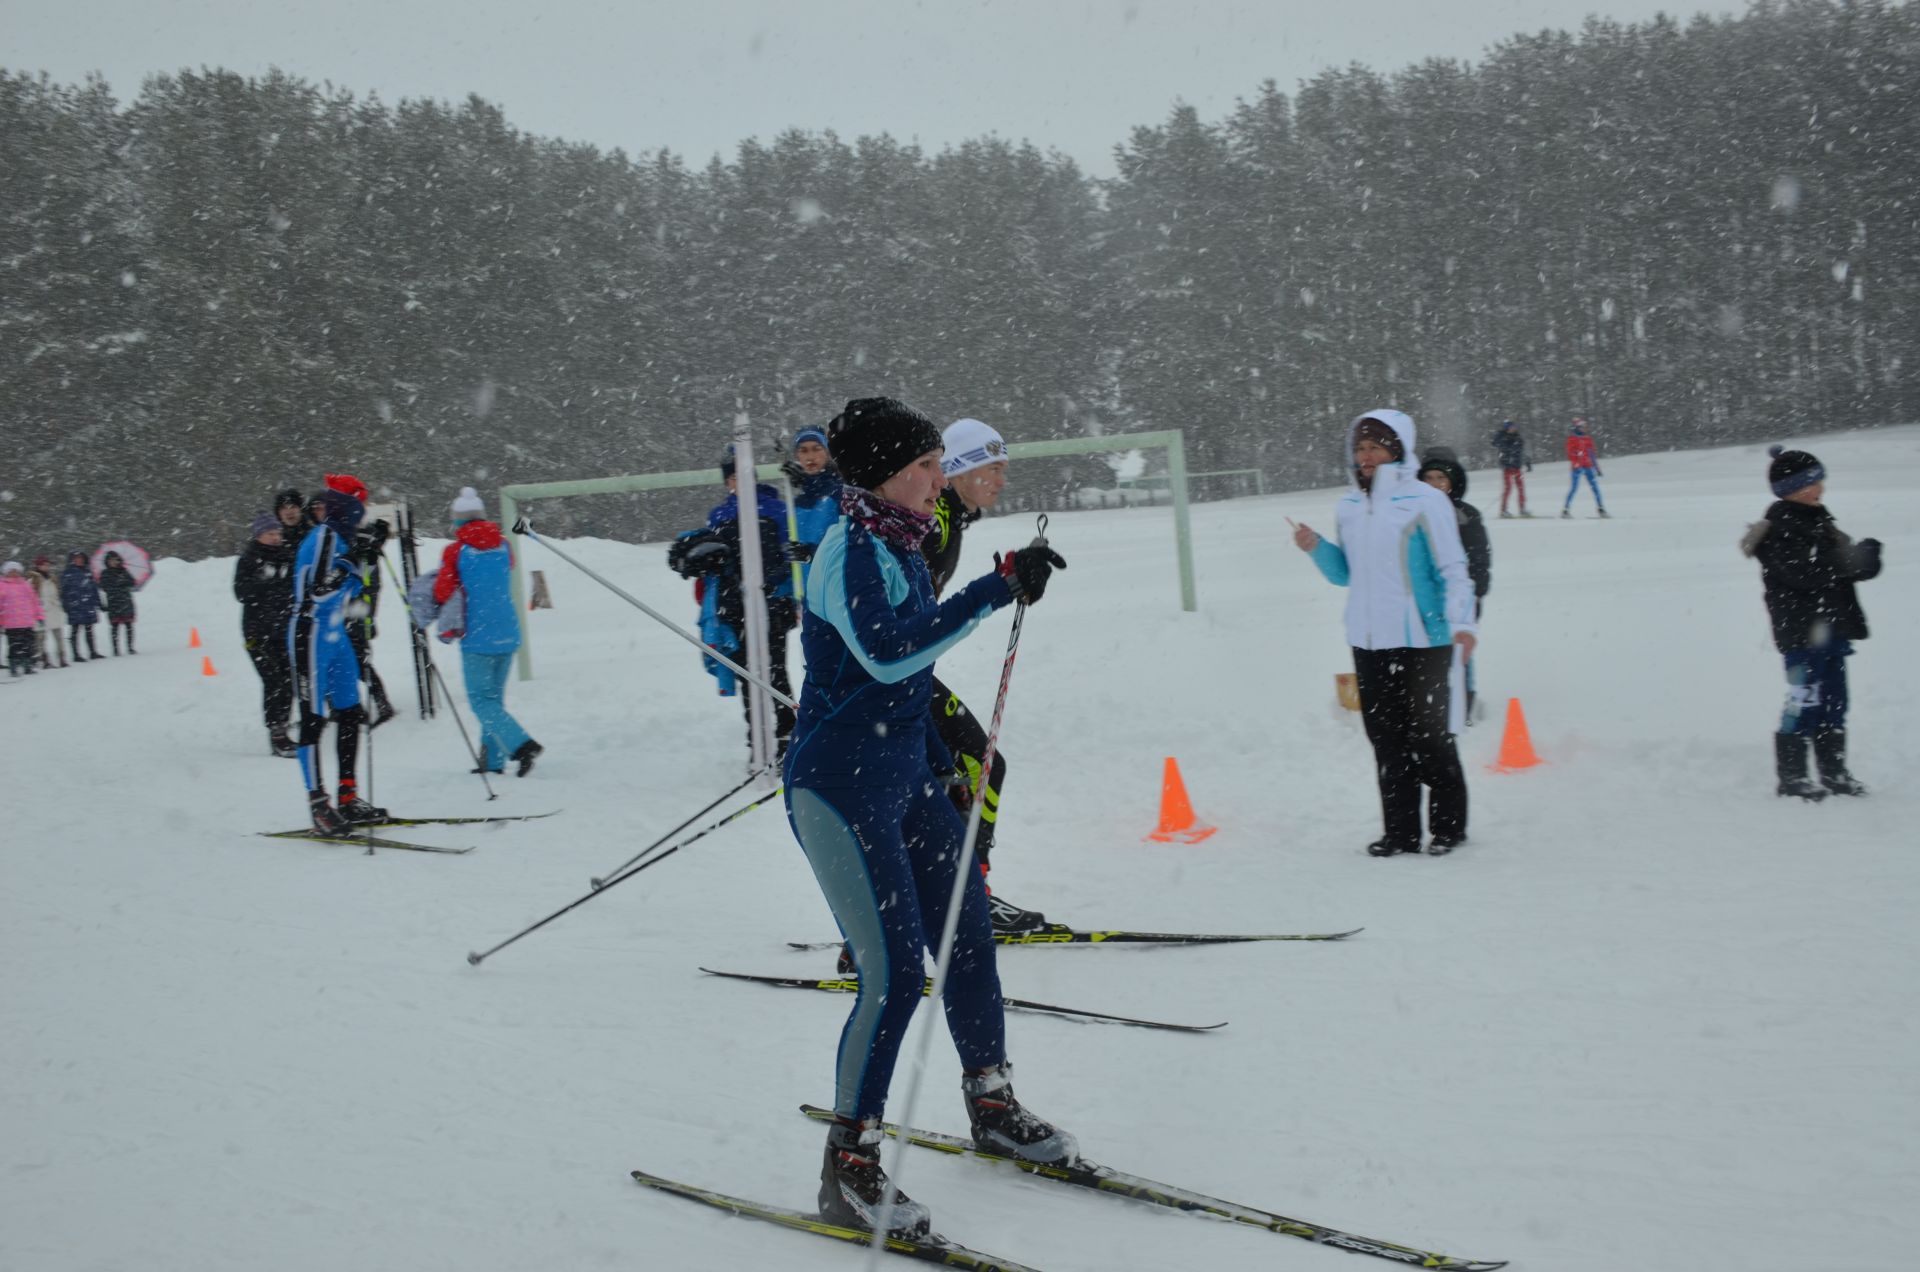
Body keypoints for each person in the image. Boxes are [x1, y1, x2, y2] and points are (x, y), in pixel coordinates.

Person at [784, 396, 1073, 1239]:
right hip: (840, 789)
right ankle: (851, 1164)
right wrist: (993, 589)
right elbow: (890, 651)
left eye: (937, 464)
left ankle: (990, 1100)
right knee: (895, 977)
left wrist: (942, 764)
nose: (937, 479)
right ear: (883, 475)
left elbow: (909, 674)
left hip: (905, 778)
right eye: (922, 467)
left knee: (970, 931)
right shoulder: (851, 548)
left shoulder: (902, 537)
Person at [1293, 410, 1477, 856]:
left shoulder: (1424, 501)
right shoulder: (1350, 507)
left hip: (1424, 642)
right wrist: (1316, 547)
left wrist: (1463, 624)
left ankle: (1449, 828)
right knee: (1387, 742)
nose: (1366, 456)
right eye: (1360, 448)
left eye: (1375, 447)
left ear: (1397, 449)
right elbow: (1345, 575)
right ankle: (1400, 833)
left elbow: (1454, 569)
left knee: (1430, 740)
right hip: (1369, 643)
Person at [922, 416, 1047, 934]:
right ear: (959, 469)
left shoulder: (950, 518)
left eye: (1004, 468)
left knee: (969, 772)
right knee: (972, 768)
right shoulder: (937, 521)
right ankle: (956, 902)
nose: (1001, 479)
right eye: (992, 468)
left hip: (901, 674)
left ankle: (964, 896)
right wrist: (1001, 586)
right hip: (886, 678)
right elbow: (913, 618)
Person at [1740, 445, 1882, 800]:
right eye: (1814, 483)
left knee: (1835, 702)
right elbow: (1805, 573)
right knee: (1803, 701)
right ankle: (1792, 777)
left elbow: (1845, 566)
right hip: (1802, 634)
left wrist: (1866, 558)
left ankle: (1833, 771)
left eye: (1820, 481)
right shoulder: (1778, 530)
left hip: (1832, 629)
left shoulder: (1821, 520)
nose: (1821, 489)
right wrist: (1846, 561)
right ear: (1794, 490)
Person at [667, 448, 796, 763]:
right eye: (733, 477)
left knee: (774, 671)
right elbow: (718, 562)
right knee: (747, 675)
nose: (739, 482)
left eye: (744, 474)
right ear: (728, 481)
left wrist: (773, 583)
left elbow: (786, 554)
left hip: (772, 603)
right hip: (734, 607)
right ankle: (758, 738)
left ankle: (788, 734)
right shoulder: (720, 515)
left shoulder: (777, 509)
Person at [290, 476, 389, 831]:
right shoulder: (324, 537)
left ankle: (347, 796)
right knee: (313, 718)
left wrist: (370, 551)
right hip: (310, 631)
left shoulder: (342, 536)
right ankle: (318, 804)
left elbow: (354, 585)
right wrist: (353, 559)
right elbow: (318, 590)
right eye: (361, 506)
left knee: (350, 713)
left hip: (335, 634)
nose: (362, 513)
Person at [432, 487, 543, 777]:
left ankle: (521, 745)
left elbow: (443, 591)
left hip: (478, 636)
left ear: (458, 521)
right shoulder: (504, 545)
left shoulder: (456, 551)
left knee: (481, 701)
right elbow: (507, 568)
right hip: (508, 632)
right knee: (493, 701)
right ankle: (492, 762)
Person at [1418, 453, 1491, 725]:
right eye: (1428, 478)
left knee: (1460, 653)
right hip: (1426, 598)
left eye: (1440, 478)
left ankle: (1464, 700)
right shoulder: (1415, 512)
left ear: (1452, 482)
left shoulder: (1465, 515)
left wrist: (1475, 594)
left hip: (1460, 597)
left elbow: (1479, 560)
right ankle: (1432, 701)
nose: (1434, 483)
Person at [234, 511, 299, 756]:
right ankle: (277, 734)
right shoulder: (249, 559)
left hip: (283, 631)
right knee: (273, 682)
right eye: (270, 533)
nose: (275, 537)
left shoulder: (287, 555)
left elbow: (294, 587)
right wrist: (266, 581)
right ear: (258, 535)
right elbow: (241, 593)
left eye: (277, 533)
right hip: (257, 633)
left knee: (289, 682)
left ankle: (282, 724)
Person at [781, 426, 843, 590]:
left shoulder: (840, 492)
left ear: (828, 453)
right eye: (804, 450)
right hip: (808, 596)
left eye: (817, 449)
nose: (810, 457)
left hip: (837, 591)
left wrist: (813, 553)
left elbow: (848, 542)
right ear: (797, 456)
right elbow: (791, 560)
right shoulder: (796, 504)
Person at [1, 561, 45, 678]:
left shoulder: (25, 584)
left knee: (28, 645)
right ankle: (13, 667)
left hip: (27, 622)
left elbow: (35, 602)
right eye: (11, 571)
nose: (14, 573)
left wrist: (39, 616)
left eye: (15, 571)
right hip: (11, 623)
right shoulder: (2, 585)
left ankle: (27, 665)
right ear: (6, 572)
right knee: (14, 646)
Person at [1562, 417, 1608, 518]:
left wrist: (1597, 469)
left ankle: (1601, 509)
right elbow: (1570, 454)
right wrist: (1577, 456)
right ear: (1577, 427)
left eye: (1585, 427)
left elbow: (1592, 455)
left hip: (1588, 466)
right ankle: (1565, 510)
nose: (1584, 429)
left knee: (1595, 488)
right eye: (1582, 427)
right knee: (1574, 488)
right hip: (1577, 467)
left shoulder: (1587, 439)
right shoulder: (1572, 439)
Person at [59, 551, 101, 662]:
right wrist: (66, 604)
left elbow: (94, 588)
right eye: (77, 558)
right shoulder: (68, 573)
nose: (79, 560)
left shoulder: (88, 572)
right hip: (75, 605)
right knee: (75, 630)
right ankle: (76, 654)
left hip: (87, 605)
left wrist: (97, 602)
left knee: (89, 629)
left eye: (81, 558)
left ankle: (92, 652)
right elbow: (63, 591)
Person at [97, 550, 141, 654]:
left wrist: (124, 582)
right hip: (113, 603)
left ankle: (130, 647)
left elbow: (132, 582)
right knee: (114, 627)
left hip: (125, 602)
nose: (113, 562)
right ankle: (115, 649)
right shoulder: (105, 573)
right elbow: (104, 586)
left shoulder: (123, 571)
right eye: (111, 560)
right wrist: (117, 586)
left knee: (128, 625)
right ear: (107, 561)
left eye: (115, 560)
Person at [28, 558, 66, 669]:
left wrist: (57, 603)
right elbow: (31, 597)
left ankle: (62, 658)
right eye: (43, 565)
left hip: (54, 610)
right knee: (41, 638)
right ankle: (44, 659)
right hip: (41, 611)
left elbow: (56, 593)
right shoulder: (32, 580)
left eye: (47, 565)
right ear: (38, 566)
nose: (46, 567)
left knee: (58, 636)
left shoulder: (52, 578)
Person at [1490, 421, 1533, 517]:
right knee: (1508, 489)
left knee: (1521, 489)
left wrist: (1527, 462)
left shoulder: (1518, 438)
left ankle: (1522, 509)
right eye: (1511, 427)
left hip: (1517, 467)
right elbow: (1494, 442)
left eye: (1514, 427)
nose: (1513, 429)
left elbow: (1521, 453)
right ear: (1507, 428)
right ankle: (1503, 510)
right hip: (1507, 467)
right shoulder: (1502, 438)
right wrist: (1501, 434)